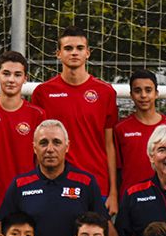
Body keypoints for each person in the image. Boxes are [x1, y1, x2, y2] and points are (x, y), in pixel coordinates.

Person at [0, 119, 128, 236]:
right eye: (43, 143)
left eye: (57, 142)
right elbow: (3, 225)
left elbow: (104, 223)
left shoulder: (85, 182)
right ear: (34, 148)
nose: (50, 149)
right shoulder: (20, 184)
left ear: (67, 146)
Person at [31, 25, 119, 214]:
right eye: (68, 48)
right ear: (58, 54)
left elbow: (109, 144)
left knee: (94, 234)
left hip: (97, 183)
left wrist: (113, 192)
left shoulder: (105, 92)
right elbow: (37, 145)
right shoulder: (43, 93)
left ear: (88, 53)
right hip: (56, 183)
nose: (74, 53)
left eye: (79, 48)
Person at [0, 51, 45, 236]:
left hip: (26, 205)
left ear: (25, 78)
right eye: (6, 73)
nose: (11, 79)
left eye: (17, 74)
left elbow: (40, 164)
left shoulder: (37, 115)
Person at [114, 69, 166, 197]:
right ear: (131, 95)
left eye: (148, 90)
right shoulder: (121, 128)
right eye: (138, 91)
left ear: (156, 93)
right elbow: (116, 171)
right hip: (130, 198)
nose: (143, 95)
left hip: (163, 198)